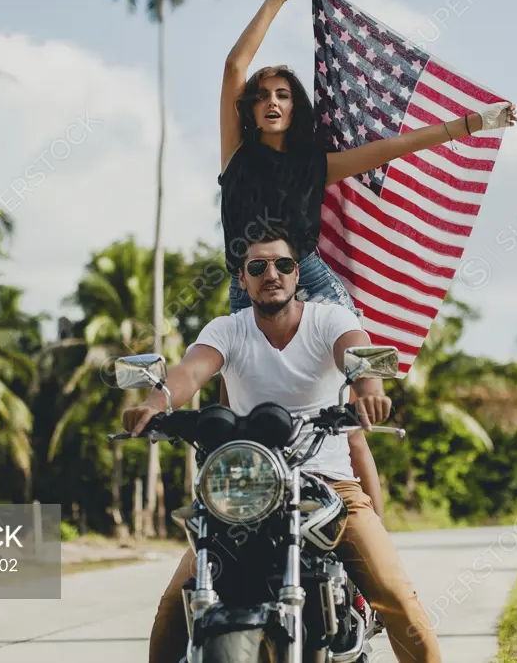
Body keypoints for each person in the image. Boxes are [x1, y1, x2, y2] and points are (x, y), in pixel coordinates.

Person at [125, 234, 442, 663]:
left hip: (329, 486)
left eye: (282, 265)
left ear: (297, 273)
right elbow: (190, 371)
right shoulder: (228, 329)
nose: (270, 274)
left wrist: (368, 391)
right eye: (257, 267)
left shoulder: (328, 320)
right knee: (172, 609)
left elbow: (357, 354)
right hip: (246, 489)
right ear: (243, 277)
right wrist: (153, 404)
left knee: (398, 600)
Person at [219, 0, 517, 317]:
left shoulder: (316, 165)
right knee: (245, 368)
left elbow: (394, 147)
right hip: (250, 283)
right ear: (250, 109)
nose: (271, 101)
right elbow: (234, 67)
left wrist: (473, 123)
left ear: (294, 108)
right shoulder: (237, 152)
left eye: (282, 95)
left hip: (310, 281)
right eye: (261, 95)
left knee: (355, 357)